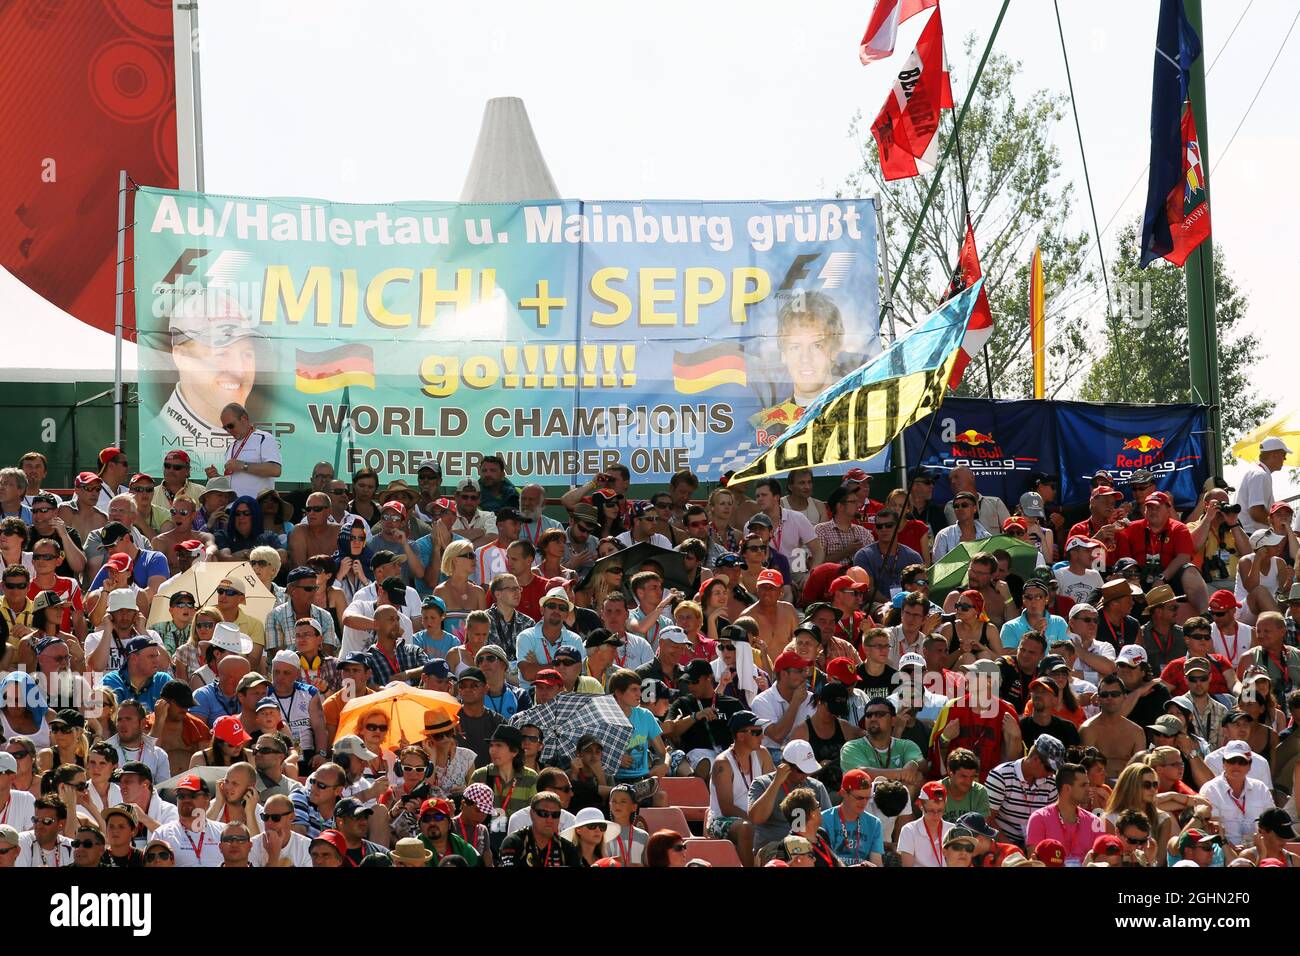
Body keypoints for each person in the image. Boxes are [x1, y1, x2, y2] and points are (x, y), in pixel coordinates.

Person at [1120, 490, 1208, 614]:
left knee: (1190, 569)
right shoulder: (1131, 529)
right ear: (1144, 511)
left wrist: (1162, 577)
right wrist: (1133, 580)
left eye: (1157, 507)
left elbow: (1184, 557)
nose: (1153, 511)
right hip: (1138, 578)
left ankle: (1206, 613)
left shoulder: (1179, 528)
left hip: (1169, 578)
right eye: (1149, 508)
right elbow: (1124, 559)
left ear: (1168, 509)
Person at [985, 734, 1062, 848]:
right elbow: (988, 819)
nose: (1051, 773)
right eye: (1049, 768)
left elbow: (1050, 822)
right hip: (1001, 843)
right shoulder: (1000, 775)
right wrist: (1012, 848)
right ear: (1035, 759)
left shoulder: (1051, 782)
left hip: (1035, 843)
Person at [1198, 740, 1273, 848]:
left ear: (1249, 766)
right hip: (1222, 850)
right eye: (1232, 761)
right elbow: (1210, 828)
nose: (1236, 766)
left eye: (1242, 762)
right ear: (1223, 763)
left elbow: (1271, 823)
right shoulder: (1210, 789)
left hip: (1259, 850)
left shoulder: (1261, 788)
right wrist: (1231, 848)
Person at [1023, 762, 1102, 865]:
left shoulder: (1096, 821)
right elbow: (1035, 863)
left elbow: (1104, 858)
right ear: (1067, 788)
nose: (1088, 789)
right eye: (1083, 785)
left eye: (1088, 784)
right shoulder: (1039, 818)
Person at [202, 402, 282, 499]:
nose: (229, 430)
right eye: (225, 428)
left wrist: (243, 465)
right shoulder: (231, 447)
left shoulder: (264, 438)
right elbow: (233, 482)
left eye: (231, 425)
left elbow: (275, 470)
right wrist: (217, 477)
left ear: (244, 418)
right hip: (234, 508)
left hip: (256, 507)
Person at [496, 790, 582, 867]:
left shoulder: (566, 848)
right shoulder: (514, 842)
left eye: (555, 814)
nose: (550, 819)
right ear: (531, 814)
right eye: (543, 813)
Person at [1235, 437, 1290, 534]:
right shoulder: (1260, 475)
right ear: (1274, 455)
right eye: (1284, 454)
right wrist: (1279, 525)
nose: (1285, 458)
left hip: (1248, 534)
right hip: (1251, 535)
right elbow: (1256, 512)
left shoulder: (1256, 472)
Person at [897, 780, 953, 867]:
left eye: (940, 810)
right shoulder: (909, 830)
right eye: (931, 811)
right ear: (920, 806)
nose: (936, 815)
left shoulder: (952, 830)